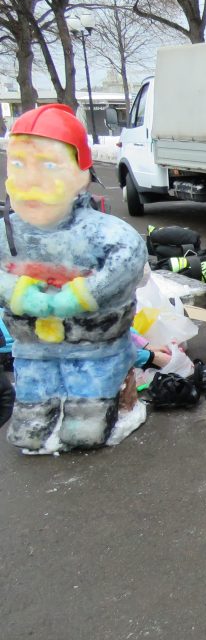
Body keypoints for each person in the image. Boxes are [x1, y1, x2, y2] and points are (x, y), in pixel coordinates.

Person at [0, 104, 147, 451]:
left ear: (80, 173)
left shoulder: (104, 232)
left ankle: (91, 410)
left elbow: (126, 258)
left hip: (94, 344)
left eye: (48, 165)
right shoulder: (9, 232)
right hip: (32, 343)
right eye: (19, 164)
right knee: (35, 396)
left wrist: (79, 295)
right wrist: (18, 293)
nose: (30, 180)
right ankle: (38, 411)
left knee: (87, 406)